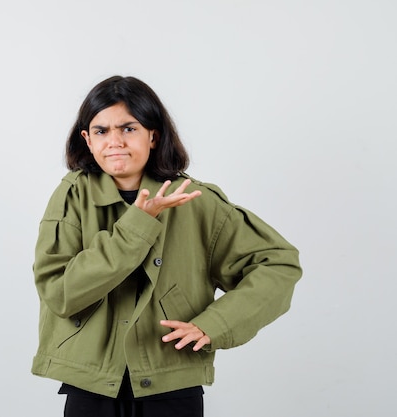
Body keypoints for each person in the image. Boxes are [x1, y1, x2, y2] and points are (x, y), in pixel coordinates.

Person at [31, 75, 302, 417]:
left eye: (128, 128)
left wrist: (215, 324)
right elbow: (60, 294)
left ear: (153, 135)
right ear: (87, 138)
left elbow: (278, 264)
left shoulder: (195, 200)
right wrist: (137, 226)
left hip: (172, 382)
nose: (114, 141)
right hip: (90, 384)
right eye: (101, 131)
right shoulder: (72, 196)